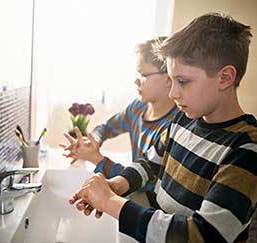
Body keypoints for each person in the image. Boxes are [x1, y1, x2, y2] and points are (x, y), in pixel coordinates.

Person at [69, 12, 257, 243]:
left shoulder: (249, 148)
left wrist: (110, 202)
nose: (172, 92)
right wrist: (117, 185)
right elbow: (149, 165)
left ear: (225, 78)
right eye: (172, 80)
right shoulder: (182, 120)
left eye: (183, 81)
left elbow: (205, 235)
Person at [62, 37, 178, 206]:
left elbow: (141, 183)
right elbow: (105, 128)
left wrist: (97, 159)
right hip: (135, 193)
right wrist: (93, 140)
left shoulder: (173, 127)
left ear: (168, 78)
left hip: (151, 205)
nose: (136, 81)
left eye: (143, 75)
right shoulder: (137, 108)